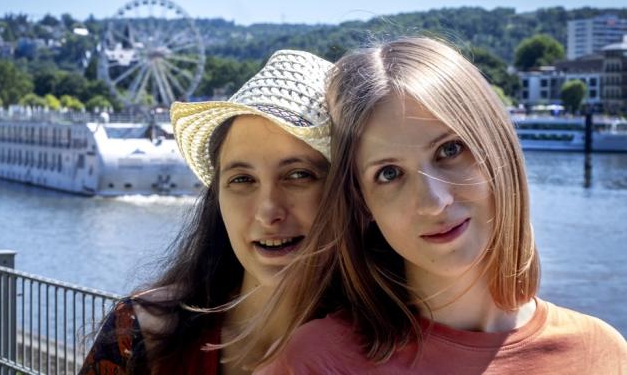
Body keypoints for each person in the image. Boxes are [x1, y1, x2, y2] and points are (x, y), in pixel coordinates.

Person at [250, 37, 627, 374]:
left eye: (450, 150)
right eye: (389, 173)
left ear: (498, 148)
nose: (434, 201)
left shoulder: (601, 354)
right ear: (362, 205)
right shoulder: (317, 363)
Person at [79, 49, 334, 375]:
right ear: (217, 198)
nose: (268, 211)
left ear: (344, 193)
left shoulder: (392, 354)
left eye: (299, 175)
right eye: (242, 179)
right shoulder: (143, 332)